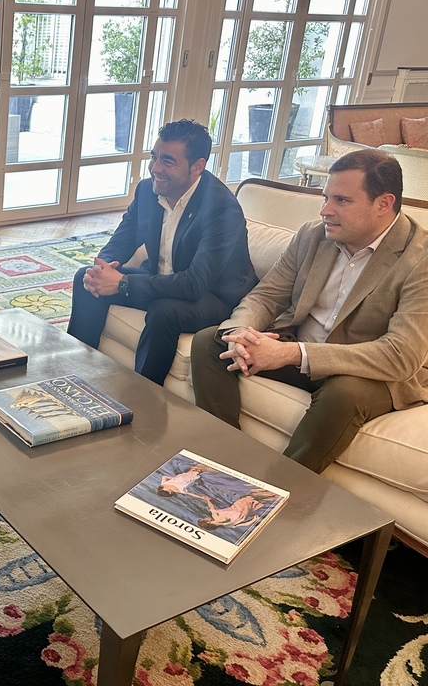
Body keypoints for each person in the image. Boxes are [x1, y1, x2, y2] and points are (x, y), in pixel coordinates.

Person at [191, 149, 428, 473]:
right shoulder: (312, 235)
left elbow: (400, 355)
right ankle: (220, 465)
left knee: (343, 394)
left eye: (341, 200)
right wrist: (241, 331)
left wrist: (290, 354)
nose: (325, 210)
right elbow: (266, 296)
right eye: (325, 197)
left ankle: (277, 489)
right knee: (211, 342)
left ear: (384, 204)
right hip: (299, 348)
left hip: (365, 370)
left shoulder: (420, 259)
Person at [66, 119, 258, 385]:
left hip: (214, 297)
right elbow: (122, 240)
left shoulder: (221, 208)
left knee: (164, 310)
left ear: (197, 166)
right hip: (164, 282)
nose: (155, 168)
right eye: (154, 157)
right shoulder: (147, 191)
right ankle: (75, 375)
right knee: (84, 278)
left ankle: (143, 396)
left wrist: (122, 283)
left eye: (168, 161)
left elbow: (195, 283)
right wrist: (103, 268)